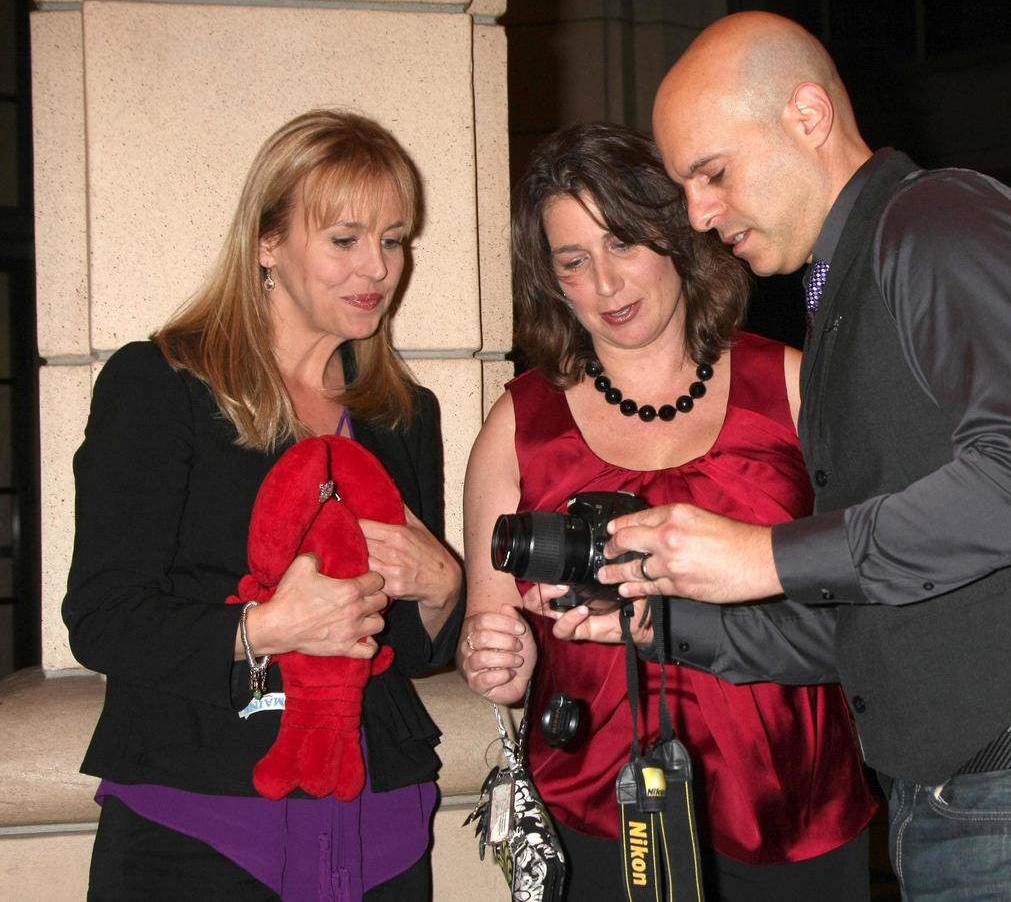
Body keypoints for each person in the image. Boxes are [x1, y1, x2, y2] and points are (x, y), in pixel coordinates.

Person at [598, 11, 1011, 899]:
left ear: (808, 115)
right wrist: (668, 623)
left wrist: (760, 554)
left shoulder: (940, 221)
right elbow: (887, 618)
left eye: (711, 173)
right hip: (983, 804)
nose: (697, 214)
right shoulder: (850, 288)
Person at [63, 109, 475, 901]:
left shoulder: (401, 412)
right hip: (197, 821)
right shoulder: (162, 386)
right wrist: (266, 628)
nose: (379, 269)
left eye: (393, 240)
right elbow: (103, 616)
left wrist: (442, 588)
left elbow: (409, 654)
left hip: (377, 816)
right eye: (346, 239)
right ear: (267, 243)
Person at [458, 122, 874, 901]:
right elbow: (493, 643)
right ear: (550, 280)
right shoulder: (519, 425)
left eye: (622, 243)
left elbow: (875, 583)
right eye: (573, 261)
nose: (607, 285)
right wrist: (496, 659)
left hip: (794, 813)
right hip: (596, 821)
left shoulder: (792, 383)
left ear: (677, 231)